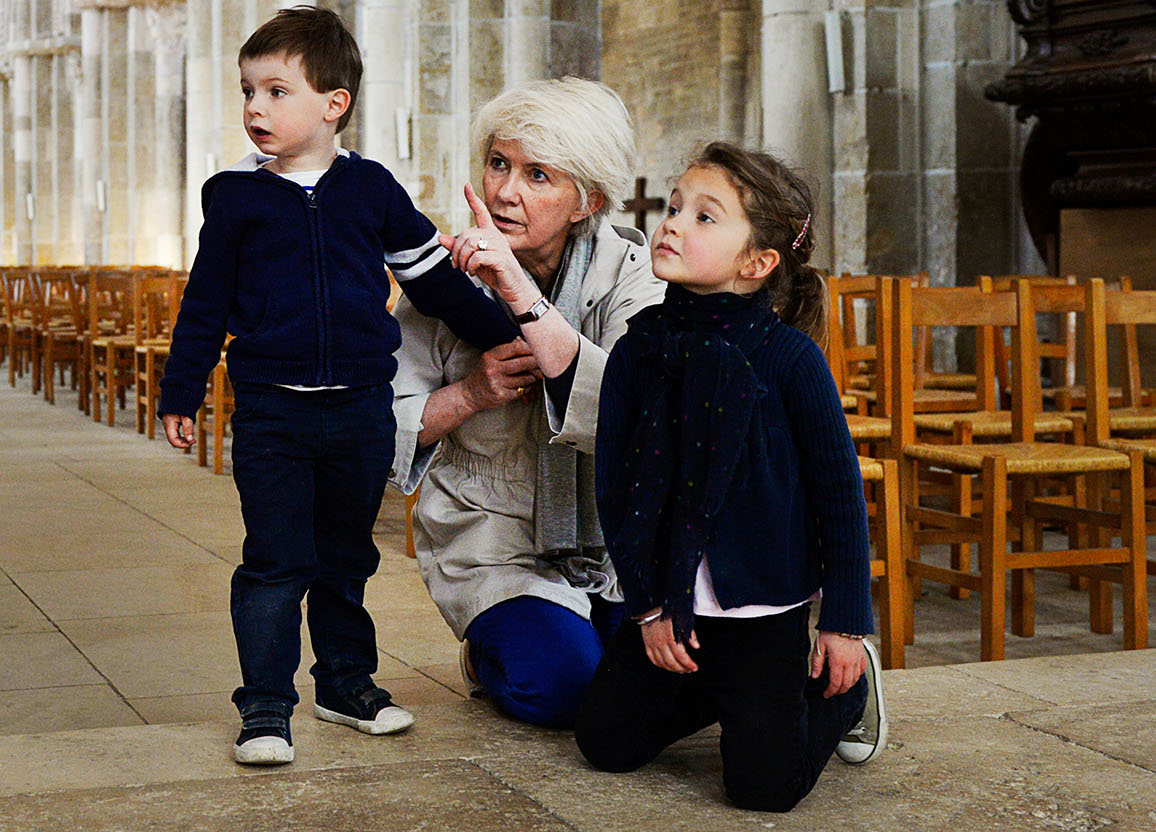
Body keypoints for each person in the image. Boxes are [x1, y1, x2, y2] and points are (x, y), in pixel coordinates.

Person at [156, 6, 523, 767]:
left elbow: (434, 281)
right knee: (275, 561)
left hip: (360, 412)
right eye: (248, 92)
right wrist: (178, 391)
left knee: (346, 557)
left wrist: (509, 335)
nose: (255, 107)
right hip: (270, 415)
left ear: (334, 104)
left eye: (276, 91)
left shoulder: (373, 190)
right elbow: (204, 306)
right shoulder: (235, 199)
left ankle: (346, 685)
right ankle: (264, 708)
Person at [573, 142, 887, 812]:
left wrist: (844, 623)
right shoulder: (637, 353)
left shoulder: (789, 360)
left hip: (760, 608)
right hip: (670, 603)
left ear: (757, 263)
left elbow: (838, 496)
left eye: (704, 217)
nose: (674, 223)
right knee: (606, 743)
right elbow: (618, 492)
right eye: (676, 205)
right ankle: (720, 692)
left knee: (762, 791)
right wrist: (649, 606)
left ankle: (844, 696)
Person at [391, 78, 664, 728]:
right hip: (494, 539)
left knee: (675, 676)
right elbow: (382, 424)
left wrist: (522, 296)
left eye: (537, 174)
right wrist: (471, 393)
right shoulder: (443, 285)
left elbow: (639, 417)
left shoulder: (633, 274)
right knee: (570, 689)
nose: (506, 191)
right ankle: (493, 652)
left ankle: (583, 627)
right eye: (498, 164)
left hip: (617, 542)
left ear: (586, 199)